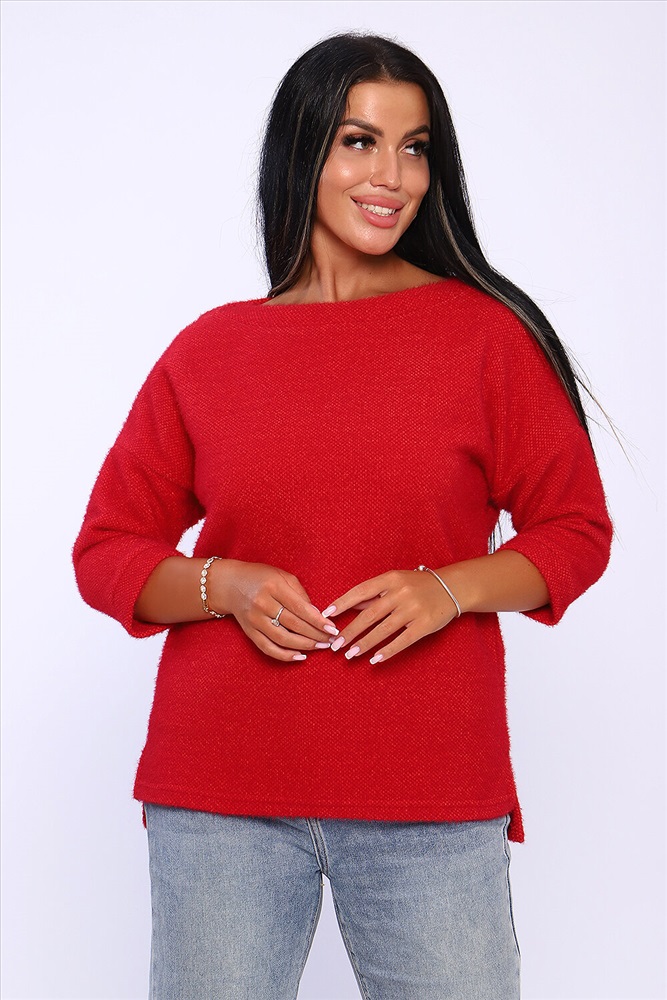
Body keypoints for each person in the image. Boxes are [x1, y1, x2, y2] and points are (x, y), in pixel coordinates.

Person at [73, 32, 612, 1000]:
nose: (391, 176)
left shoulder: (484, 337)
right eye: (359, 141)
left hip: (429, 790)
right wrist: (222, 584)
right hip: (222, 790)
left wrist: (448, 588)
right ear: (302, 151)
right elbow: (107, 549)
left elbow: (574, 529)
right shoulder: (210, 350)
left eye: (415, 148)